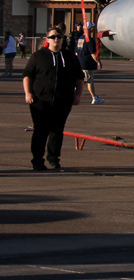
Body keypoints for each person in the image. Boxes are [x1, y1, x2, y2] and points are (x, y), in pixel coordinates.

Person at [23, 28, 84, 171]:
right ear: (47, 39)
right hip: (40, 101)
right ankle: (37, 160)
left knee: (57, 131)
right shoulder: (38, 56)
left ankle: (53, 159)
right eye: (53, 37)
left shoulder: (70, 57)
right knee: (40, 131)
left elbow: (79, 77)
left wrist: (78, 95)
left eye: (59, 37)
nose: (56, 39)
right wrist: (28, 93)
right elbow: (27, 75)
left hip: (62, 101)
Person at [75, 22, 104, 104]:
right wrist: (98, 62)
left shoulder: (80, 38)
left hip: (80, 63)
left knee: (81, 81)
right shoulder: (90, 40)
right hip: (87, 64)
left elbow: (76, 52)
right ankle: (94, 97)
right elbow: (93, 53)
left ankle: (72, 95)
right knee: (89, 81)